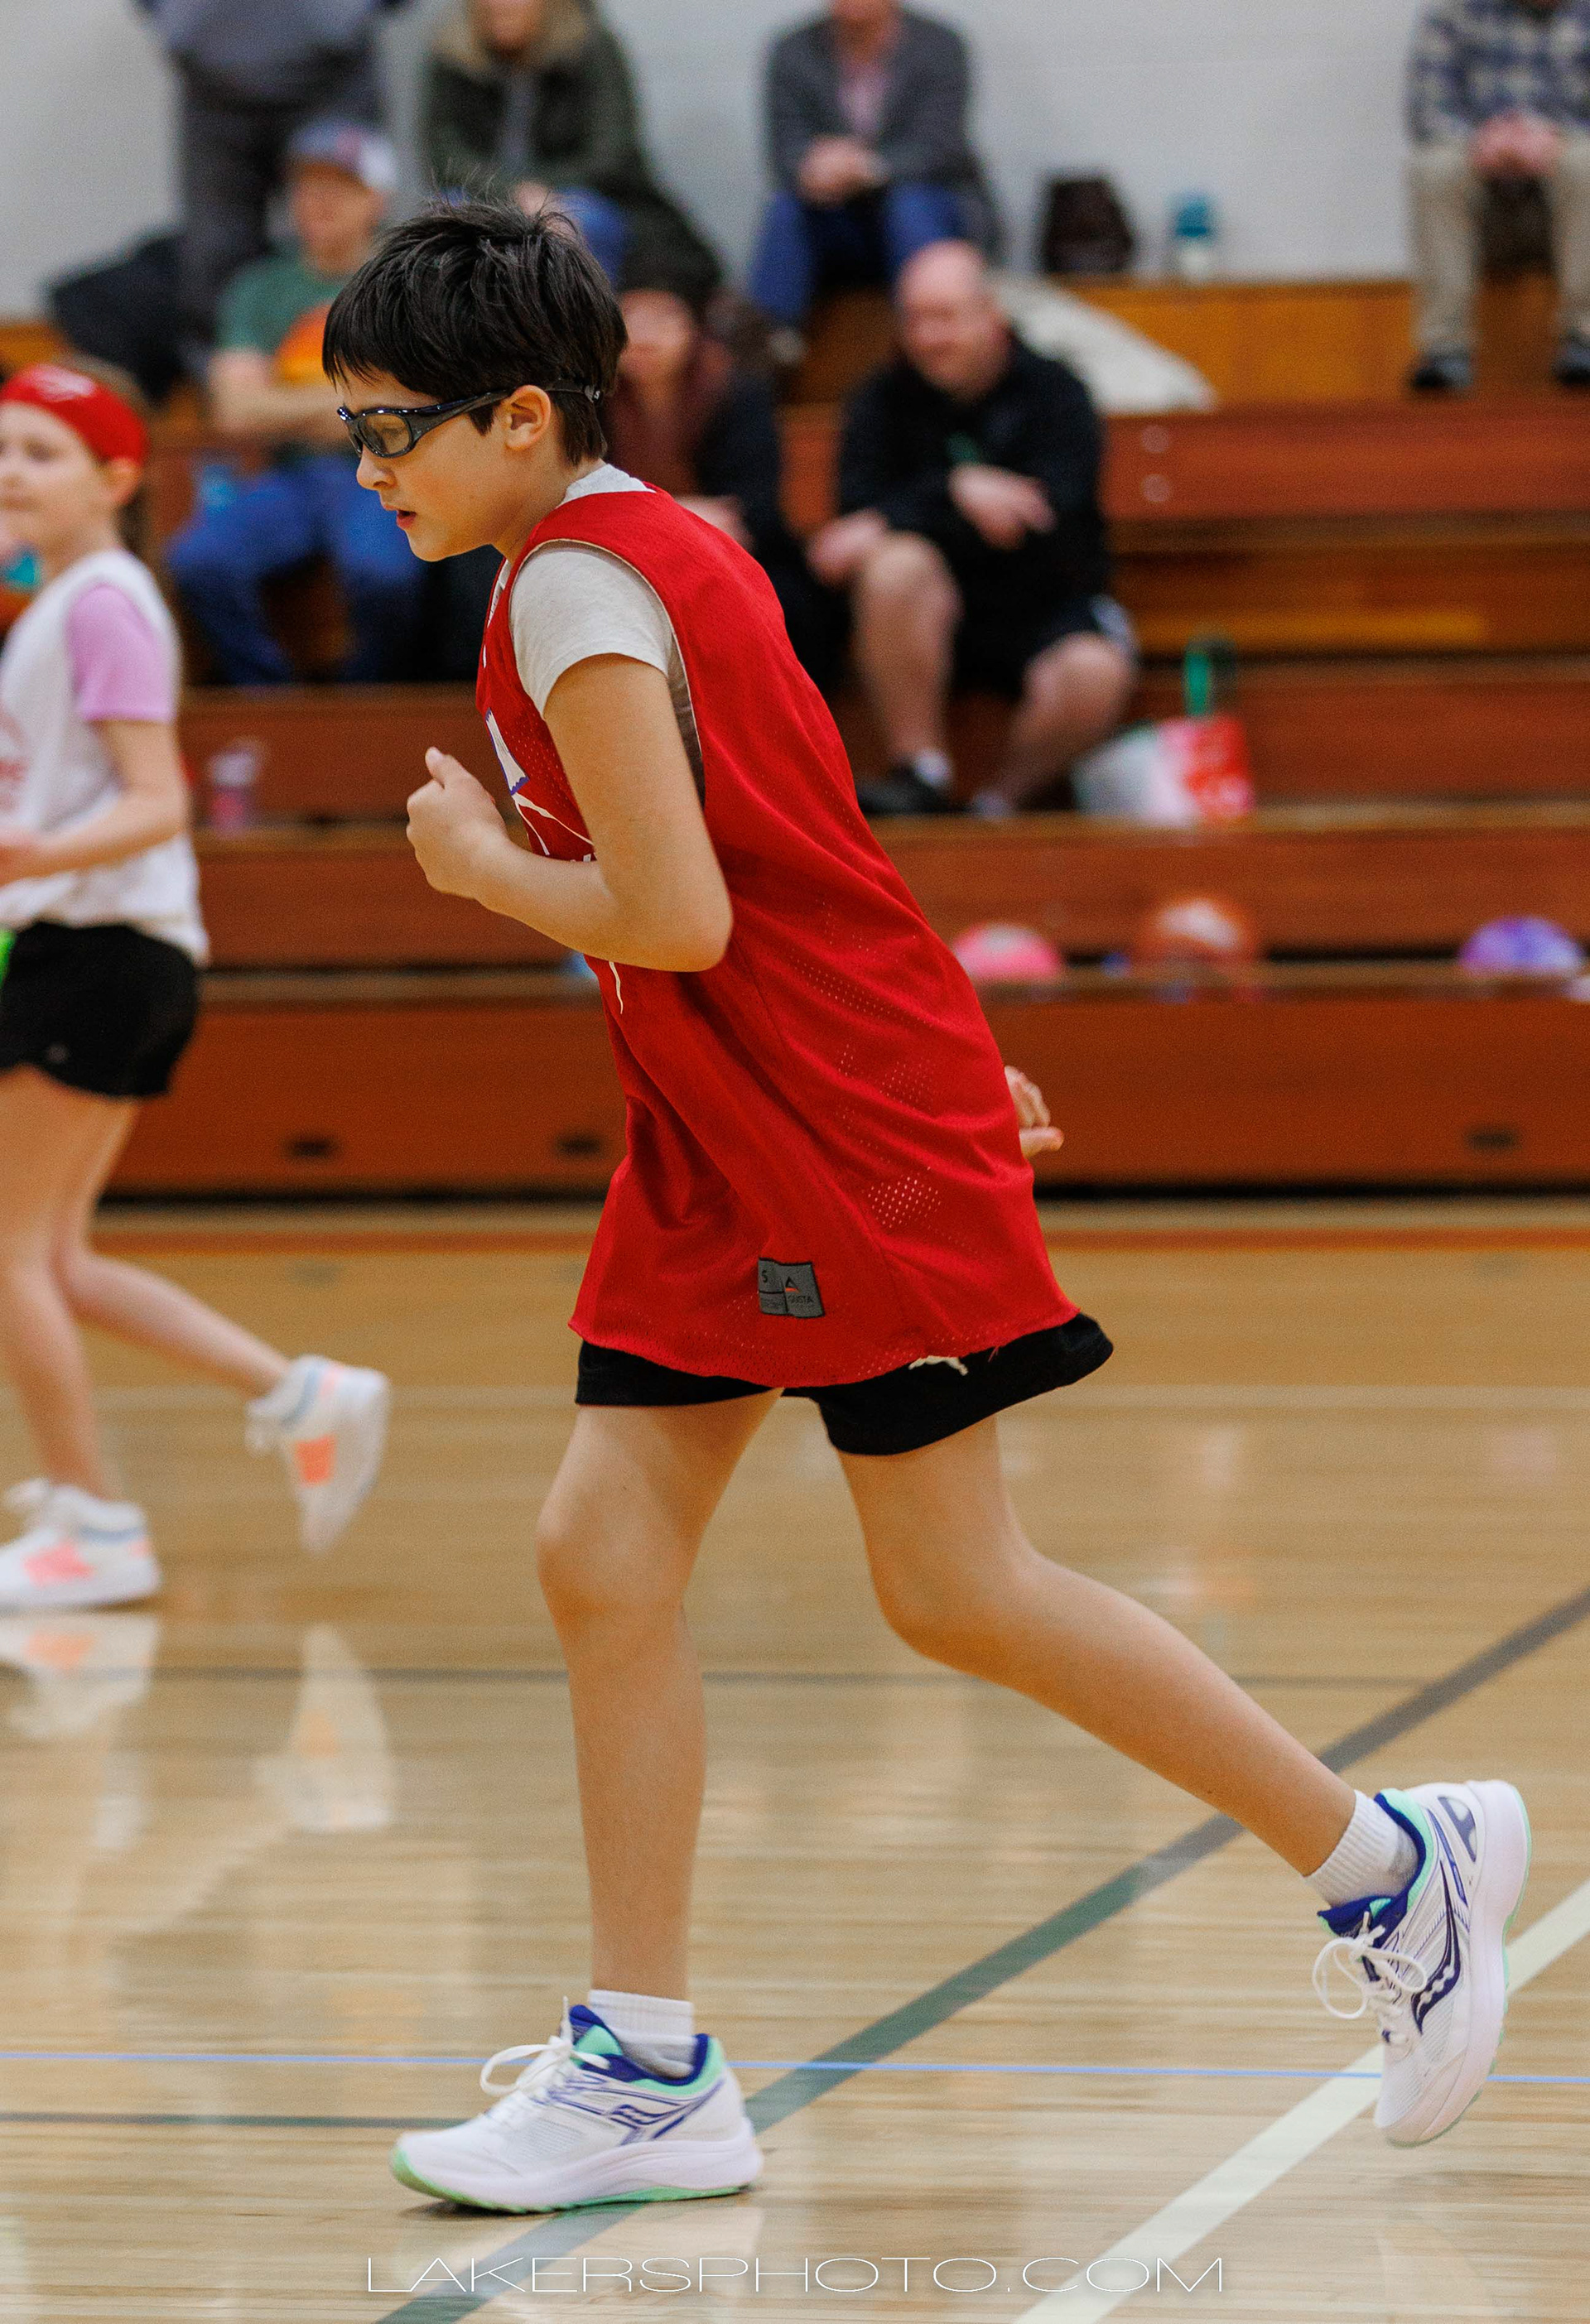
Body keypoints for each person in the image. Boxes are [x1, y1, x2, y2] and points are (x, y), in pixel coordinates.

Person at [310, 202, 1531, 2213]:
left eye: (391, 430)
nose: (370, 472)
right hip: (739, 1122)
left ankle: (1388, 1867)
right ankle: (644, 2063)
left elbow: (680, 912)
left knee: (957, 1584)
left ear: (521, 415)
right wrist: (948, 1059)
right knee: (602, 1552)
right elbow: (821, 860)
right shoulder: (640, 549)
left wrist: (477, 866)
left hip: (810, 1127)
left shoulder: (580, 590)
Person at [0, 361, 391, 1609]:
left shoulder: (104, 603)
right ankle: (301, 1394)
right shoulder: (61, 599)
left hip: (96, 947)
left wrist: (31, 854)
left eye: (42, 453)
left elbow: (159, 799)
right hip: (101, 948)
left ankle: (96, 1522)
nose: (11, 471)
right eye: (1, 449)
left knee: (8, 1252)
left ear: (119, 477)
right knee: (53, 1258)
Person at [809, 240, 1135, 817]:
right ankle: (921, 774)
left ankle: (998, 804)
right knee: (894, 567)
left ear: (992, 315)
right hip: (923, 619)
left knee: (1095, 671)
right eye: (915, 320)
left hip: (1042, 609)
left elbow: (1049, 524)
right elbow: (851, 533)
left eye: (946, 318)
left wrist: (912, 513)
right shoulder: (878, 399)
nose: (928, 337)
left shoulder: (1056, 392)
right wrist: (957, 491)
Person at [166, 122, 427, 686]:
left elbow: (415, 400)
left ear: (376, 199)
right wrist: (355, 404)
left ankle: (366, 707)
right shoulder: (259, 288)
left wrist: (286, 405)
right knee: (199, 560)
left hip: (387, 473)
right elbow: (236, 410)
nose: (319, 201)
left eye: (340, 187)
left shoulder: (409, 282)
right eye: (307, 186)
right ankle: (270, 700)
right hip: (292, 477)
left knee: (384, 575)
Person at [133, 0, 415, 354]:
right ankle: (227, 374)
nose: (315, 199)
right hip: (212, 87)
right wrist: (183, 23)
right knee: (214, 257)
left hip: (333, 78)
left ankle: (381, 367)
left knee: (351, 242)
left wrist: (345, 15)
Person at [605, 282, 844, 686]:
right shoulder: (591, 400)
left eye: (662, 317)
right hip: (627, 562)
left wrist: (642, 516)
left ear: (693, 325)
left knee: (782, 604)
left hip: (734, 559)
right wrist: (677, 515)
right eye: (631, 316)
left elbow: (753, 512)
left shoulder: (737, 392)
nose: (643, 335)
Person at [421, 0, 720, 306]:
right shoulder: (453, 54)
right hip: (487, 194)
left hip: (581, 194)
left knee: (572, 222)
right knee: (445, 222)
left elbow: (610, 155)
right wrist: (515, 192)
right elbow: (444, 153)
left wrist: (542, 192)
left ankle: (579, 321)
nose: (503, 5)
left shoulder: (588, 48)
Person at [749, 0, 998, 345]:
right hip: (840, 219)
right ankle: (768, 345)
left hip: (930, 211)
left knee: (910, 204)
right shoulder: (793, 51)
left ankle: (930, 332)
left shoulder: (938, 45)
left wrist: (867, 167)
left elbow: (939, 148)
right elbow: (785, 153)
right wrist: (815, 168)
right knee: (788, 209)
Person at [1407, 0, 1590, 390]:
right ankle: (1445, 350)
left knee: (1585, 160)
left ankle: (1585, 339)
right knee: (1435, 167)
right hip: (1485, 207)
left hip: (1566, 205)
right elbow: (1427, 113)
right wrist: (1486, 143)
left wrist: (1552, 139)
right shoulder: (1454, 13)